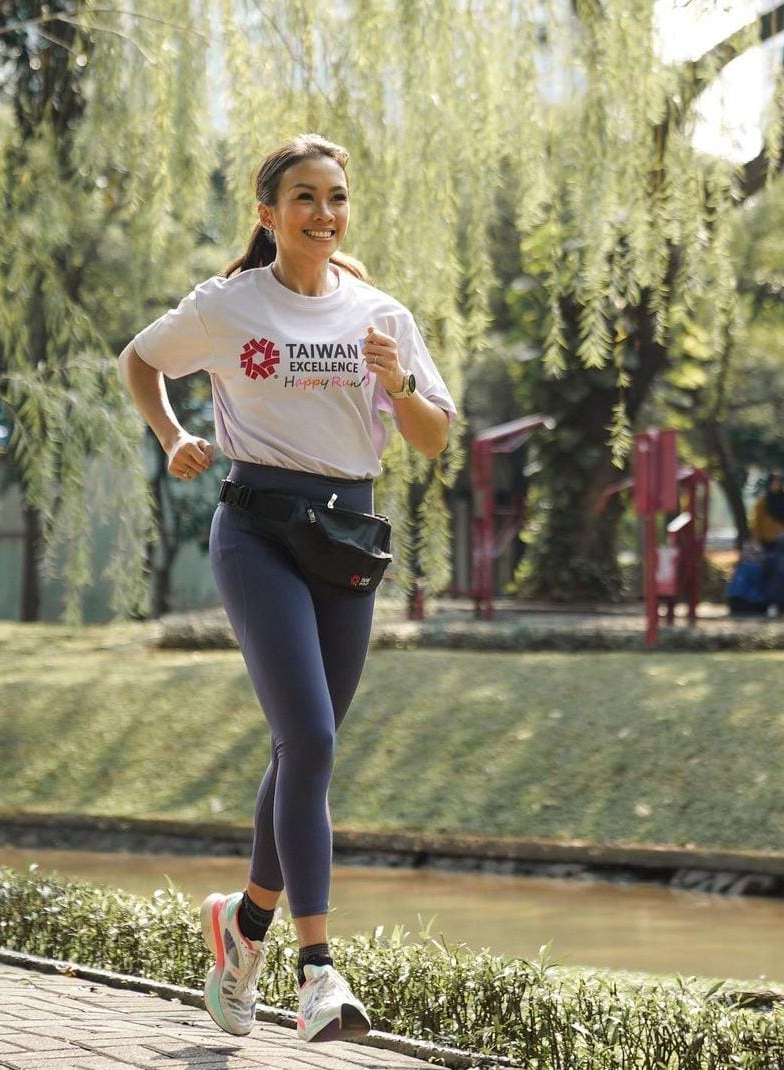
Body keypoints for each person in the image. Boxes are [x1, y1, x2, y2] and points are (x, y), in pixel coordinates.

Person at [117, 133, 458, 1044]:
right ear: (267, 214)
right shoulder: (229, 305)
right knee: (307, 737)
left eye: (337, 197)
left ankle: (243, 923)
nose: (324, 213)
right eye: (303, 197)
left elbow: (430, 440)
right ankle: (317, 972)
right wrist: (171, 435)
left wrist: (401, 386)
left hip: (348, 540)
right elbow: (140, 359)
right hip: (259, 531)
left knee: (302, 753)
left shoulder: (382, 315)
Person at [749, 471, 784, 617]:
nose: (776, 485)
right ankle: (770, 603)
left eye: (779, 483)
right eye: (774, 483)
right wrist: (755, 541)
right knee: (768, 572)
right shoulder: (762, 502)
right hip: (766, 543)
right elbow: (756, 524)